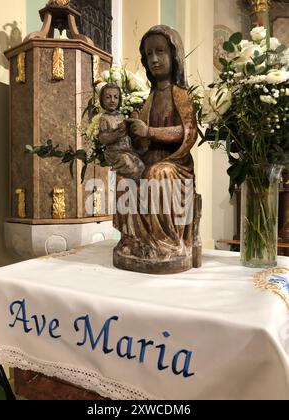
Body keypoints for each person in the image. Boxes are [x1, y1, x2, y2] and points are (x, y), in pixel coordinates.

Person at [113, 25, 200, 274]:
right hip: (150, 159)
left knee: (157, 174)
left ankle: (166, 243)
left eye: (160, 51)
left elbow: (188, 133)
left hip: (176, 164)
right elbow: (143, 143)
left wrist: (149, 131)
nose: (154, 59)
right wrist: (132, 134)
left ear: (174, 56)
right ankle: (133, 239)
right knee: (124, 174)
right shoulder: (149, 98)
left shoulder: (180, 95)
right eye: (149, 54)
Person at [98, 83, 145, 180]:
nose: (112, 100)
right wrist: (117, 134)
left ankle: (138, 187)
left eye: (116, 97)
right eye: (108, 97)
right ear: (102, 100)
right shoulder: (104, 118)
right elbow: (103, 138)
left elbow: (128, 132)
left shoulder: (121, 116)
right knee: (127, 163)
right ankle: (133, 186)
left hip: (127, 150)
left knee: (140, 165)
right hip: (114, 153)